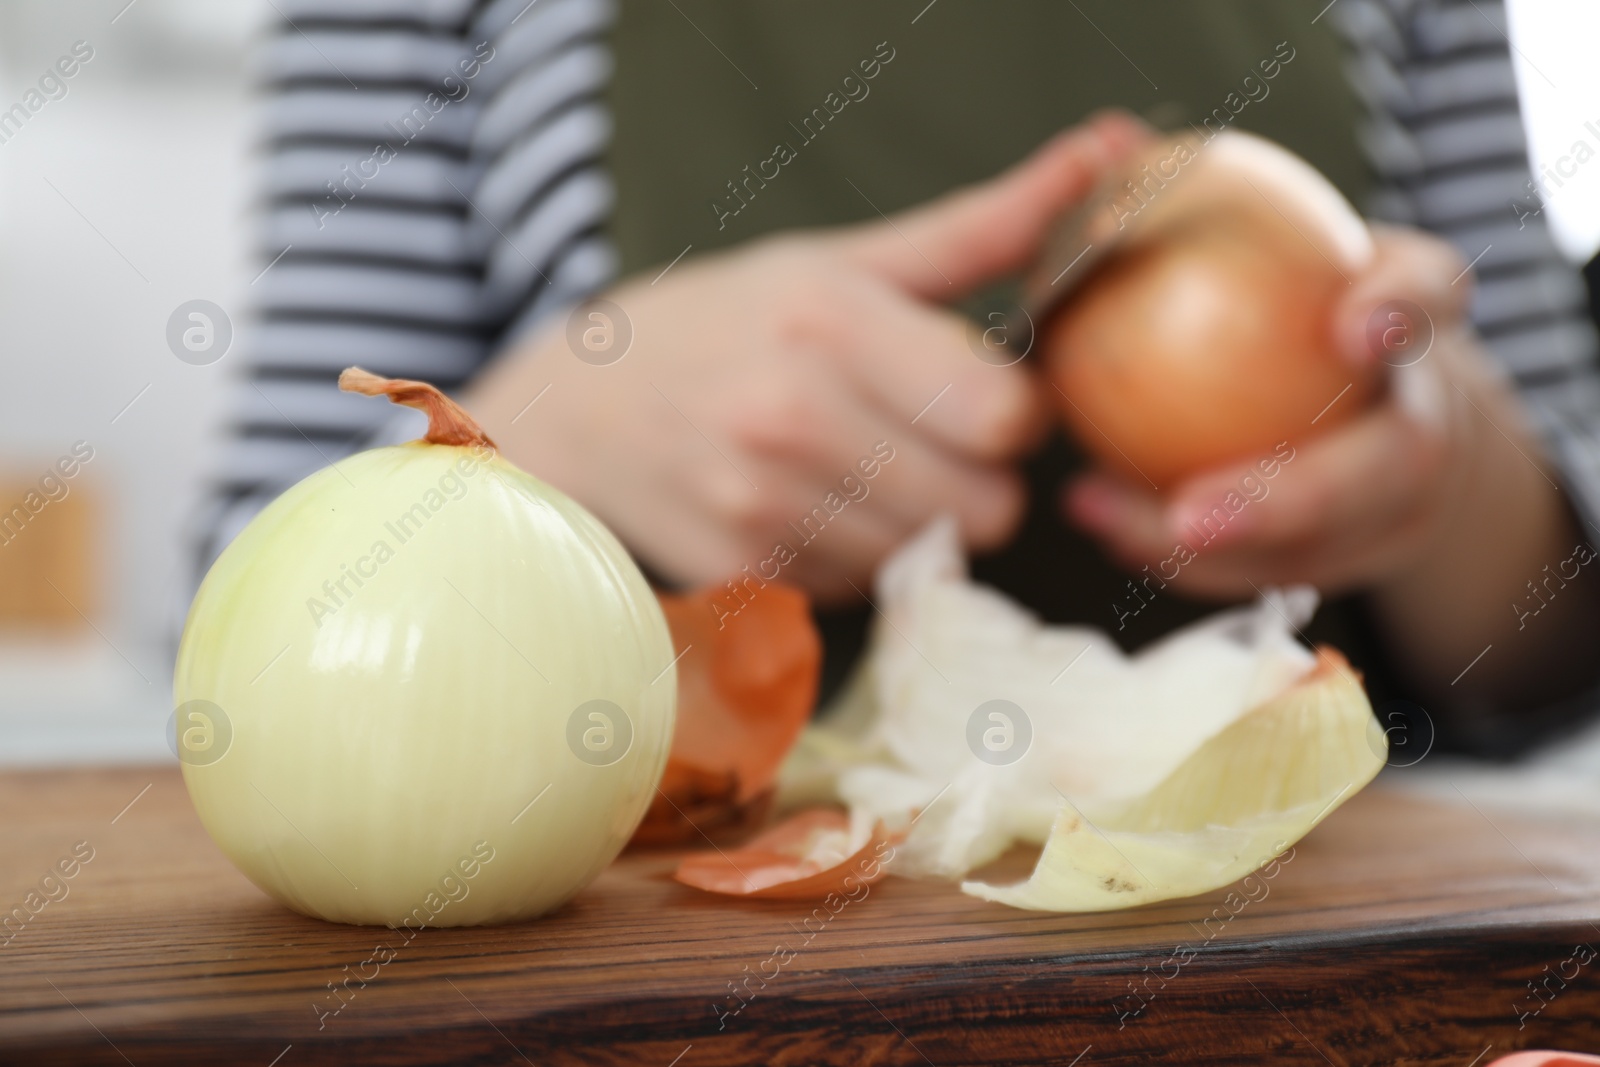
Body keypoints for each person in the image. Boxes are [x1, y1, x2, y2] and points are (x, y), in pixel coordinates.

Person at [198, 0, 1600, 756]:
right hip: (645, 983)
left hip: (1316, 955)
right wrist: (533, 439)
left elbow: (1562, 629)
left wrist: (1451, 459)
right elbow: (244, 616)